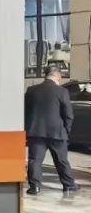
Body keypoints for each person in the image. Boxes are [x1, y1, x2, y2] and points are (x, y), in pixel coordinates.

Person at [25, 65, 79, 195]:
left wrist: (28, 127)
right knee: (61, 161)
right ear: (57, 76)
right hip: (57, 132)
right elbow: (68, 115)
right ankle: (68, 185)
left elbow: (26, 111)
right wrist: (66, 130)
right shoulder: (62, 92)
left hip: (36, 132)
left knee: (35, 160)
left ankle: (35, 187)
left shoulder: (31, 90)